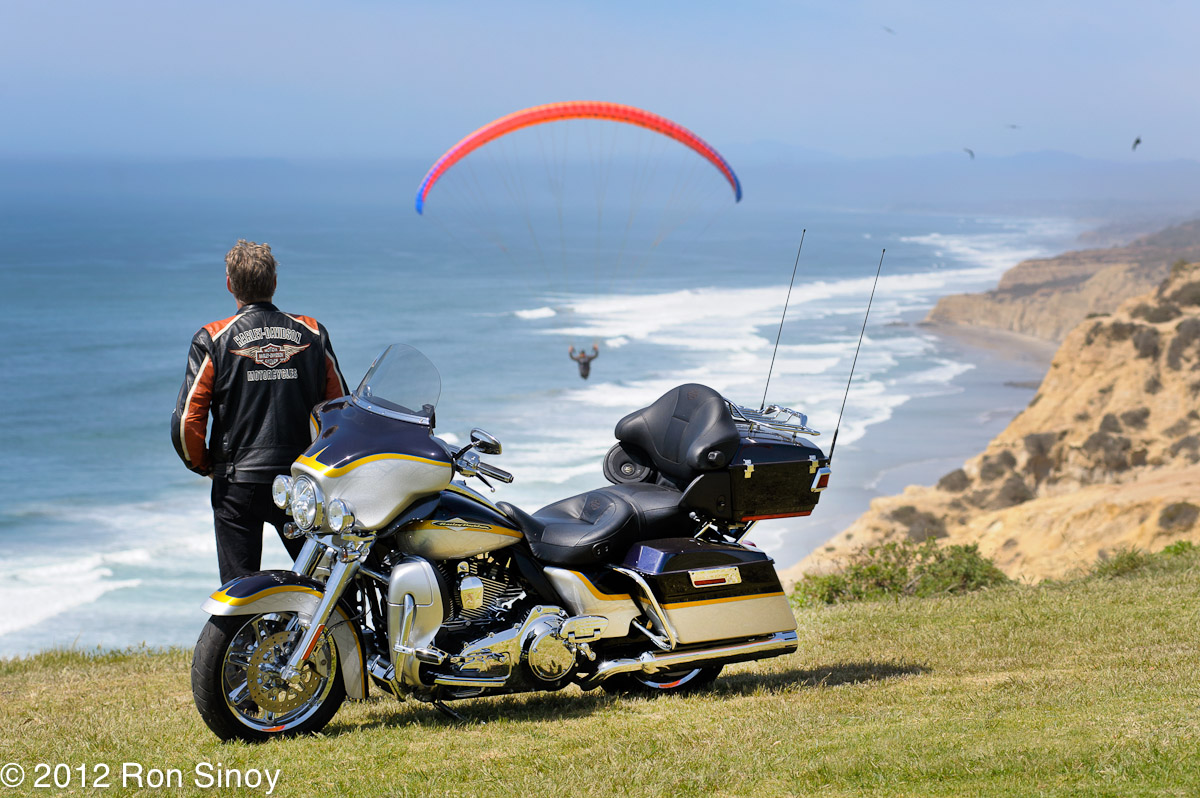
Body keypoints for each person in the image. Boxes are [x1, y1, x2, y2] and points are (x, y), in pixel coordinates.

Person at [171, 240, 348, 584]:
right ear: (274, 283)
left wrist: (204, 465)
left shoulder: (212, 338)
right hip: (300, 481)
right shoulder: (311, 332)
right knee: (324, 586)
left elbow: (188, 421)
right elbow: (338, 406)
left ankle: (244, 638)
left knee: (240, 591)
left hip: (238, 485)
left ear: (229, 284)